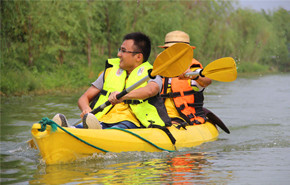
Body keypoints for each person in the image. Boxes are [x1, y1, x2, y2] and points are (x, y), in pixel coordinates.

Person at [53, 32, 171, 129]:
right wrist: (86, 109)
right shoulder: (110, 72)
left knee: (114, 130)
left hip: (130, 121)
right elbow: (84, 97)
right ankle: (67, 129)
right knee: (81, 127)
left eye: (123, 51)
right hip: (101, 118)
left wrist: (123, 96)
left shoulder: (151, 73)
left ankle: (93, 132)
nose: (119, 54)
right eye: (119, 50)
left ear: (138, 57)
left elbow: (151, 90)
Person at [159, 31, 212, 127]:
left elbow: (207, 80)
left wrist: (193, 75)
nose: (170, 54)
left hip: (185, 118)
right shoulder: (159, 70)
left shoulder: (195, 70)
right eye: (168, 50)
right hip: (159, 117)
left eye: (175, 50)